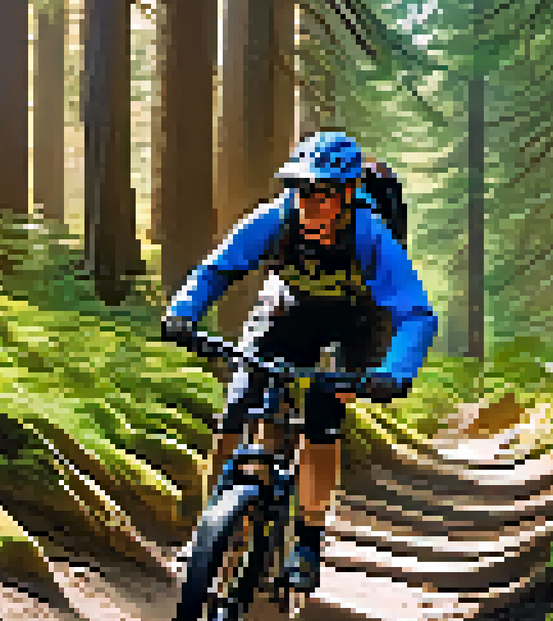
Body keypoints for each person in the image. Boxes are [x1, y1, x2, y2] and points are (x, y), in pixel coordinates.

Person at [160, 131, 438, 592]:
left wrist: (394, 373)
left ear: (347, 194)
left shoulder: (370, 235)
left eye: (321, 193)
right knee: (237, 411)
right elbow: (217, 270)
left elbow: (415, 314)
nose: (308, 203)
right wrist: (183, 314)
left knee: (323, 421)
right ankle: (211, 529)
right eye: (300, 189)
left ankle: (307, 540)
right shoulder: (274, 218)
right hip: (289, 310)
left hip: (357, 321)